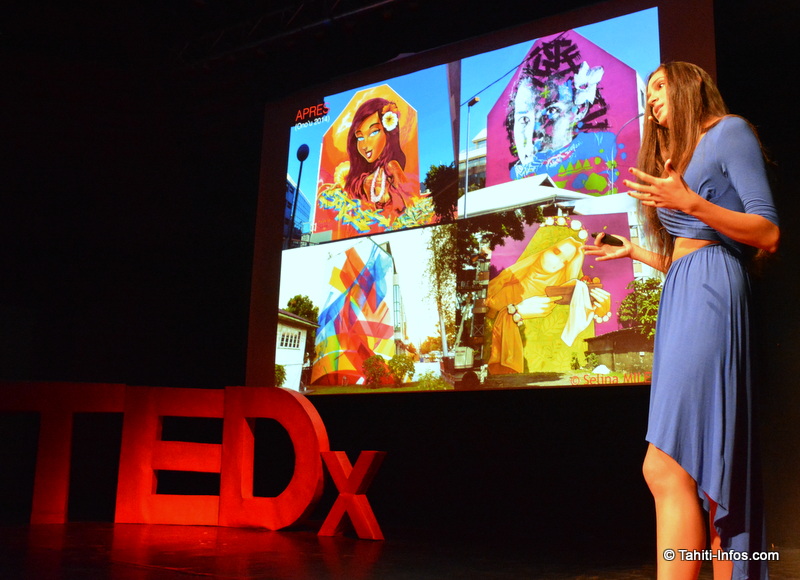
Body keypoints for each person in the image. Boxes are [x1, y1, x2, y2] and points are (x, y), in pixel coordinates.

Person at [585, 62, 779, 579]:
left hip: (714, 292)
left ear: (691, 85)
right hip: (683, 289)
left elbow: (766, 231)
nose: (650, 98)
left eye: (660, 86)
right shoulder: (677, 157)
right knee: (689, 470)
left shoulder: (727, 132)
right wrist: (639, 253)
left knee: (666, 465)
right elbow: (689, 250)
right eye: (646, 91)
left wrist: (689, 201)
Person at [485, 216, 611, 374]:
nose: (559, 262)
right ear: (542, 248)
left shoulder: (569, 296)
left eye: (566, 261)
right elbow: (488, 337)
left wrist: (599, 311)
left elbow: (573, 344)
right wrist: (515, 312)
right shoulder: (502, 290)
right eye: (556, 251)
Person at [504, 33, 616, 194]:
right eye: (524, 119)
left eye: (551, 110)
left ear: (580, 109)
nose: (535, 130)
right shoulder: (515, 179)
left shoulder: (602, 153)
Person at [343, 97, 415, 221]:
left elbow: (411, 205)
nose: (365, 145)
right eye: (360, 138)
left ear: (388, 133)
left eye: (374, 132)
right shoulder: (360, 176)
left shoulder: (392, 167)